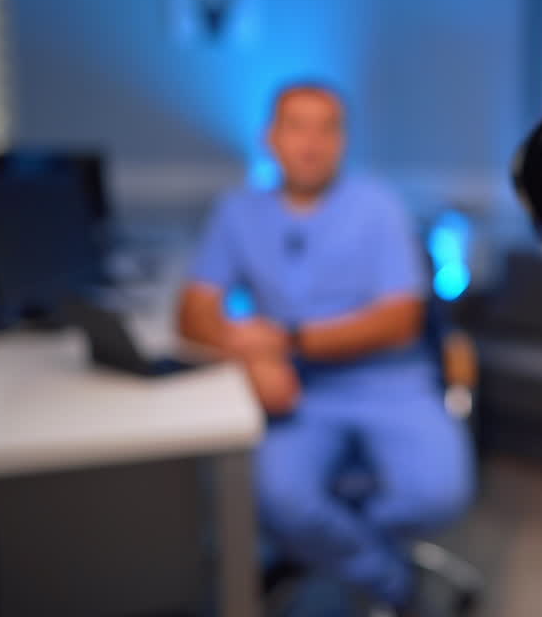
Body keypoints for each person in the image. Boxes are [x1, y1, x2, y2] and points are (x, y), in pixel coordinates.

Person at [177, 81, 473, 613]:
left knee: (439, 494)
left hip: (393, 383)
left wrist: (288, 338)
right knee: (277, 499)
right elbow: (194, 311)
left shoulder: (378, 205)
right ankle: (390, 580)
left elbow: (400, 321)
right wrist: (251, 356)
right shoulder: (237, 212)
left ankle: (326, 548)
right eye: (296, 126)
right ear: (271, 137)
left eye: (326, 128)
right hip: (301, 392)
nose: (310, 143)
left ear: (342, 140)